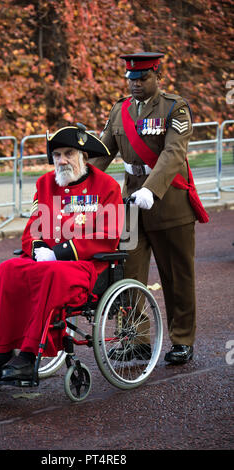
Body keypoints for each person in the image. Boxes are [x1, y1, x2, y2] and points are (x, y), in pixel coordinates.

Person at [0, 124, 124, 383]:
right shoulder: (45, 183)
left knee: (49, 271)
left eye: (68, 153)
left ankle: (27, 356)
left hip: (85, 266)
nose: (61, 160)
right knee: (9, 268)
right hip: (47, 263)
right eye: (57, 155)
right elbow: (32, 226)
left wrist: (59, 252)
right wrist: (37, 247)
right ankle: (2, 353)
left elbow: (108, 236)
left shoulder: (107, 186)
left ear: (83, 155)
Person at [90, 52, 209, 365]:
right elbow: (101, 154)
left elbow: (173, 154)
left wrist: (150, 190)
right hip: (131, 205)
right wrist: (75, 182)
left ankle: (182, 339)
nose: (136, 85)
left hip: (168, 204)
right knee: (127, 272)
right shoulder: (120, 110)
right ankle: (137, 338)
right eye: (132, 79)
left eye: (143, 79)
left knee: (176, 277)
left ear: (159, 76)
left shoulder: (175, 108)